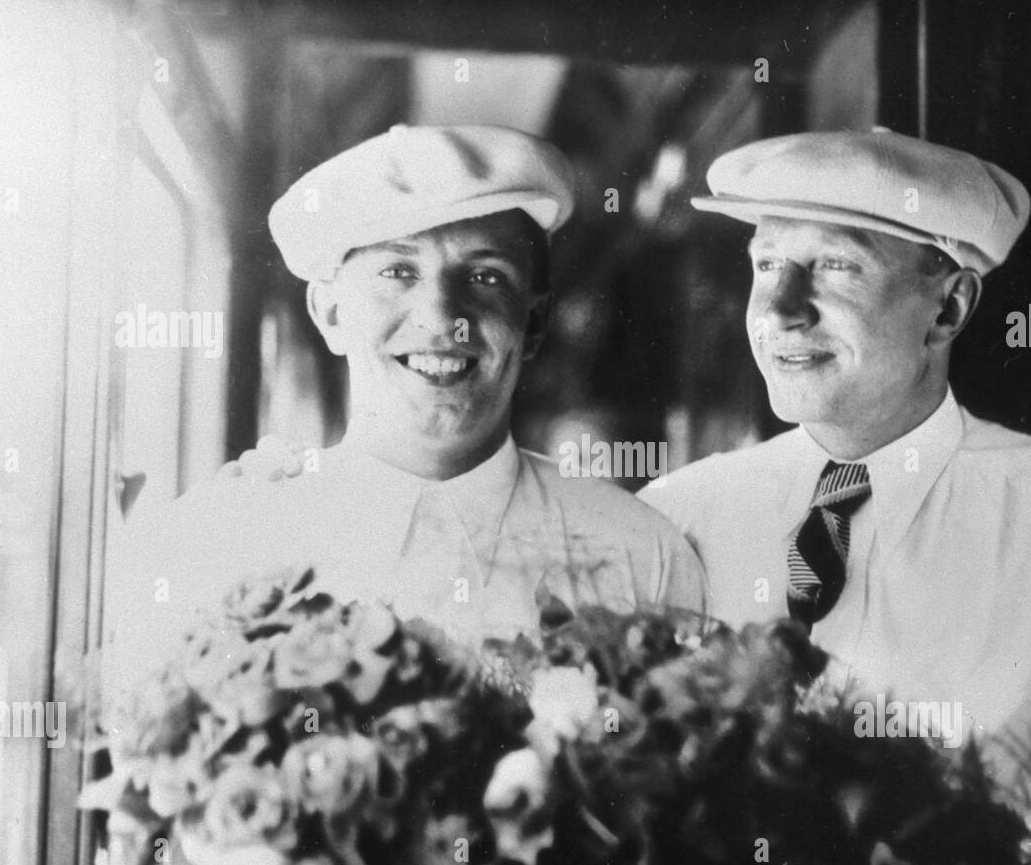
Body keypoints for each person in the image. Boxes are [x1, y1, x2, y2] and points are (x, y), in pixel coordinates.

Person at [109, 124, 707, 679]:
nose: (443, 318)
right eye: (398, 272)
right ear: (332, 313)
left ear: (533, 323)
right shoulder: (215, 540)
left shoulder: (643, 553)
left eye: (486, 276)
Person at [639, 130, 1031, 777]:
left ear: (948, 308)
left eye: (836, 266)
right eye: (767, 264)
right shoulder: (676, 520)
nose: (781, 310)